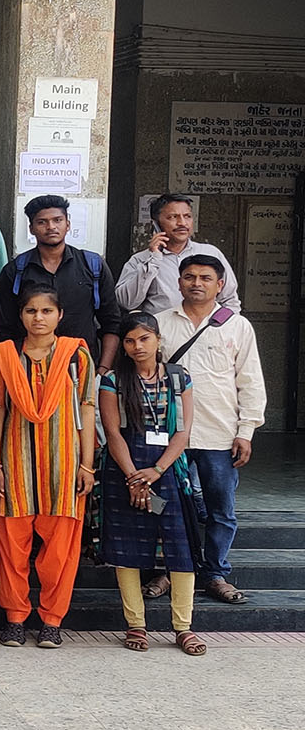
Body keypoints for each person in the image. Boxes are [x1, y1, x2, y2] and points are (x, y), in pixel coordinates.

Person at [0, 283, 96, 649]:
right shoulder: (4, 356)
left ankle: (52, 620)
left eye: (46, 311)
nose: (39, 318)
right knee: (11, 548)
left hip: (63, 466)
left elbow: (86, 409)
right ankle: (15, 618)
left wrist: (87, 466)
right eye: (31, 310)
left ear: (59, 315)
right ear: (21, 316)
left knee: (60, 552)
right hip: (15, 466)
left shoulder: (76, 355)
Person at [156, 255, 266, 603]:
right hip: (169, 435)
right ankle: (169, 572)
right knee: (165, 507)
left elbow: (250, 381)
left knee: (221, 510)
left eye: (205, 278)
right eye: (189, 277)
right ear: (179, 283)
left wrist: (246, 430)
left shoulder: (237, 326)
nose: (196, 283)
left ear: (220, 285)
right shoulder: (161, 323)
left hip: (219, 434)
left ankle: (215, 573)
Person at [98, 313, 205, 656]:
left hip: (167, 468)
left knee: (180, 547)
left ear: (158, 339)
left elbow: (183, 432)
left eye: (144, 339)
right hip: (125, 468)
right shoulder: (113, 380)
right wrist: (134, 476)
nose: (137, 346)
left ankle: (183, 627)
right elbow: (113, 433)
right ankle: (136, 625)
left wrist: (156, 471)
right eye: (130, 341)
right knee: (127, 549)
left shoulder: (178, 378)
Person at [0, 195, 121, 371]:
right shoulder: (15, 271)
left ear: (68, 224)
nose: (51, 227)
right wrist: (12, 368)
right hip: (28, 369)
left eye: (57, 220)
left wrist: (103, 369)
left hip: (81, 367)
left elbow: (111, 322)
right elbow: (2, 328)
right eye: (42, 222)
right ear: (31, 228)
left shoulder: (93, 266)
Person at [116, 193, 240, 316]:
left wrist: (223, 325)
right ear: (156, 224)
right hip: (162, 328)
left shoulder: (210, 253)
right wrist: (153, 260)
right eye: (173, 217)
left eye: (187, 216)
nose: (182, 223)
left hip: (206, 327)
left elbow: (229, 300)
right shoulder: (140, 260)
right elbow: (126, 303)